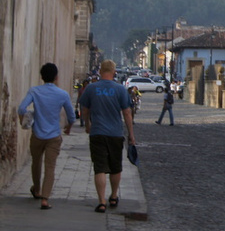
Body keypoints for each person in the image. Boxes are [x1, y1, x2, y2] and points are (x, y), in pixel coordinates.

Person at [17, 63, 76, 210]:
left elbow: (21, 108)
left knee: (36, 163)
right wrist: (68, 128)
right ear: (56, 77)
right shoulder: (62, 94)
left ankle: (36, 189)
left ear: (41, 77)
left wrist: (23, 122)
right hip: (54, 136)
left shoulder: (34, 91)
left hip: (37, 134)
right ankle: (45, 198)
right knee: (50, 167)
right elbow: (71, 116)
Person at [79, 59, 136, 213]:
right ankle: (114, 195)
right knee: (116, 167)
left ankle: (101, 201)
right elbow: (127, 113)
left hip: (97, 132)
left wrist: (88, 124)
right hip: (115, 133)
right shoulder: (120, 90)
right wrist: (131, 134)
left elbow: (84, 109)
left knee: (99, 168)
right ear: (114, 71)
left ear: (100, 71)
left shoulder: (91, 88)